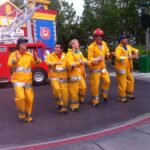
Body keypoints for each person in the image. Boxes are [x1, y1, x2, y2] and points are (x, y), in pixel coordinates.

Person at [7, 38, 41, 122]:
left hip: (28, 81)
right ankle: (21, 112)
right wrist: (16, 59)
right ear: (18, 45)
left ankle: (28, 115)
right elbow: (9, 64)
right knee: (20, 97)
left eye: (25, 43)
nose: (25, 44)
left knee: (30, 98)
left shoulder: (29, 54)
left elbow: (36, 63)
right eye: (22, 43)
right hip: (17, 81)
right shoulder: (14, 54)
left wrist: (36, 58)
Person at [88, 28, 114, 107]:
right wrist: (97, 59)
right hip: (95, 69)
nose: (99, 37)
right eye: (97, 36)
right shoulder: (91, 47)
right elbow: (90, 59)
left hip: (103, 68)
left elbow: (106, 53)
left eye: (100, 36)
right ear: (94, 37)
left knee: (107, 81)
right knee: (95, 85)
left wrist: (110, 54)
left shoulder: (104, 44)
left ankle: (104, 95)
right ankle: (95, 100)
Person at [115, 35, 139, 102]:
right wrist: (129, 57)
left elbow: (135, 49)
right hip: (121, 68)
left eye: (126, 38)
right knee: (122, 83)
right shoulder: (118, 48)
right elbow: (118, 57)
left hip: (128, 68)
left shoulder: (128, 46)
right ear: (121, 41)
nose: (126, 40)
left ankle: (129, 93)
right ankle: (121, 97)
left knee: (131, 80)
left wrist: (136, 53)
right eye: (124, 39)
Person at [46, 42, 68, 114]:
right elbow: (47, 62)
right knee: (57, 89)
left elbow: (69, 64)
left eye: (58, 47)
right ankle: (59, 104)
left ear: (61, 49)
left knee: (65, 93)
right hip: (54, 77)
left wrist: (73, 65)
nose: (56, 48)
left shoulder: (66, 56)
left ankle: (64, 108)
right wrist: (54, 63)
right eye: (55, 47)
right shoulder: (50, 55)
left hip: (63, 77)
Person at [67, 39, 87, 112]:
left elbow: (84, 59)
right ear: (73, 45)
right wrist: (79, 62)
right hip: (73, 75)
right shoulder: (69, 53)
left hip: (80, 74)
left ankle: (80, 99)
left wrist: (83, 61)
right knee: (73, 92)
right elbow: (71, 63)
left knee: (83, 87)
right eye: (77, 43)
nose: (78, 44)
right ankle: (74, 106)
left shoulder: (79, 52)